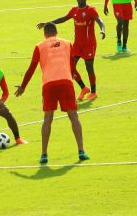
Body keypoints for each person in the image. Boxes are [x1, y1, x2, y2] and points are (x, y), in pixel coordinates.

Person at [15, 23, 89, 165]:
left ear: (45, 34)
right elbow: (73, 68)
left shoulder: (39, 46)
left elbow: (31, 68)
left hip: (49, 84)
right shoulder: (67, 43)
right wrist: (79, 81)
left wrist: (23, 87)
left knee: (48, 118)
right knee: (74, 117)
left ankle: (44, 154)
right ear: (56, 32)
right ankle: (81, 150)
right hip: (66, 83)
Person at [37, 0, 106, 100]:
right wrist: (47, 23)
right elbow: (63, 19)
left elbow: (99, 21)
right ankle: (84, 88)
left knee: (89, 67)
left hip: (89, 44)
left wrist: (103, 30)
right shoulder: (74, 10)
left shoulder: (91, 10)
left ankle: (93, 92)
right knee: (70, 67)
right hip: (77, 44)